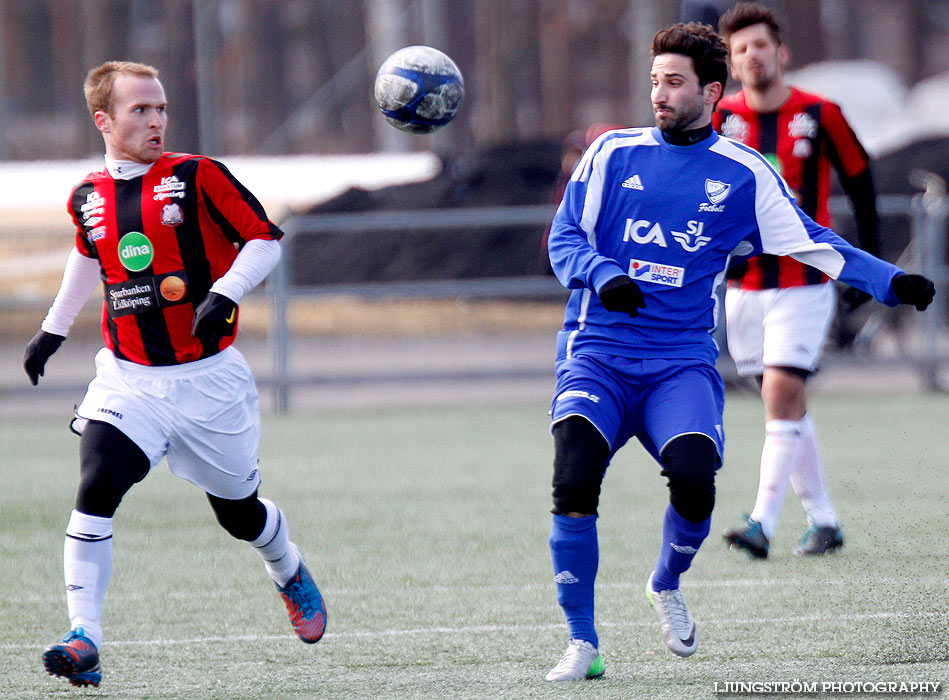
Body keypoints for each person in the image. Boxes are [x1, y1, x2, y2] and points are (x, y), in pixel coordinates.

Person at [542, 22, 933, 681]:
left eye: (673, 83)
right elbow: (562, 241)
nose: (658, 95)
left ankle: (665, 582)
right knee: (573, 480)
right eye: (653, 82)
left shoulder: (743, 173)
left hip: (680, 364)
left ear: (710, 91)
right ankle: (582, 643)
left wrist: (889, 281)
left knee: (695, 485)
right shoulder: (610, 154)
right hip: (597, 357)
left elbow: (812, 241)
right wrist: (603, 276)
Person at [23, 61, 326, 689]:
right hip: (129, 379)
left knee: (238, 515)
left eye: (160, 108)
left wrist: (226, 290)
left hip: (209, 383)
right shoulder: (86, 195)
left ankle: (286, 565)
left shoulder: (197, 175)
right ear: (103, 120)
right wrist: (54, 329)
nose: (156, 120)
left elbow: (265, 240)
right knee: (97, 482)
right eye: (140, 110)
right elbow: (88, 256)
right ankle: (86, 638)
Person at [713, 1, 881, 559]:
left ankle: (761, 522)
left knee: (782, 395)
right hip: (744, 289)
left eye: (760, 44)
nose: (752, 55)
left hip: (806, 281)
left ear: (780, 53)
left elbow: (861, 183)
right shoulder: (720, 122)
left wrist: (867, 267)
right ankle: (825, 520)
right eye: (741, 49)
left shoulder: (820, 112)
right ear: (732, 65)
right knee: (786, 403)